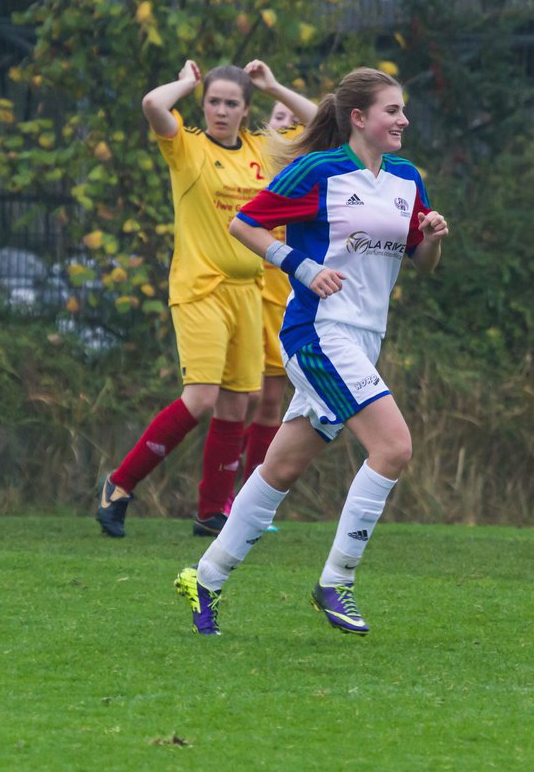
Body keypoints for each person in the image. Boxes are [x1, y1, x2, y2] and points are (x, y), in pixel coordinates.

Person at [174, 67, 449, 636]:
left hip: (364, 340)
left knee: (282, 465)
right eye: (392, 111)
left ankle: (206, 577)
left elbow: (422, 264)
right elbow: (244, 224)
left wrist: (433, 239)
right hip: (317, 333)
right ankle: (336, 581)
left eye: (403, 111)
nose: (402, 120)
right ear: (359, 118)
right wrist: (300, 265)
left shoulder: (406, 178)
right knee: (394, 447)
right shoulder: (319, 171)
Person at [95, 61, 316, 539]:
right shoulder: (187, 147)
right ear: (203, 105)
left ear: (245, 110)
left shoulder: (261, 148)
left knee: (239, 404)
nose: (220, 110)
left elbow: (320, 123)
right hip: (200, 289)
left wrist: (274, 85)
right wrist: (186, 82)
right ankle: (119, 485)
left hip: (248, 291)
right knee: (200, 399)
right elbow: (153, 103)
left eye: (230, 103)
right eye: (213, 101)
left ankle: (212, 513)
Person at [236, 103, 298, 498]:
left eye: (295, 121)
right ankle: (225, 490)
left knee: (272, 398)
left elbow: (334, 123)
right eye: (279, 117)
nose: (288, 125)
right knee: (246, 394)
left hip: (282, 291)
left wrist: (278, 87)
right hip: (247, 288)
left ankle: (251, 493)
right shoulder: (252, 156)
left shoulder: (305, 166)